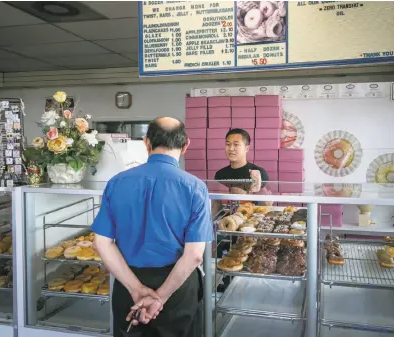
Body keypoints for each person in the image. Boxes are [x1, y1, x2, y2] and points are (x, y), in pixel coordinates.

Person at [92, 117, 214, 337]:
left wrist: (137, 291)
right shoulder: (195, 187)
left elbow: (101, 243)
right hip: (177, 288)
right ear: (186, 145)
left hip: (127, 282)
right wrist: (161, 298)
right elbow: (195, 255)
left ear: (146, 143)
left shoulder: (117, 182)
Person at [213, 128, 270, 291]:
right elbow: (217, 204)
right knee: (225, 271)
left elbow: (267, 206)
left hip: (251, 233)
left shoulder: (258, 173)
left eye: (236, 144)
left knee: (251, 275)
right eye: (227, 144)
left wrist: (257, 187)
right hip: (226, 232)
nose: (230, 148)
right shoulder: (220, 174)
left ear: (246, 148)